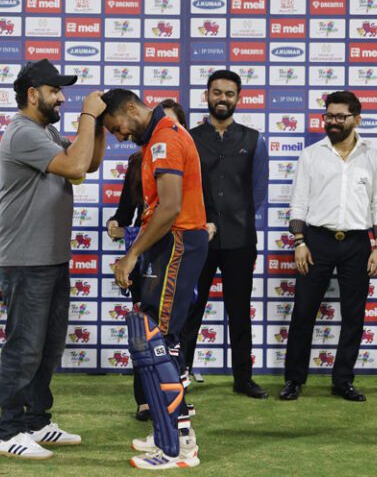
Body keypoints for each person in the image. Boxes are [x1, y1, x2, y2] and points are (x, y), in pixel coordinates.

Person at [0, 59, 106, 459]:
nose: (62, 97)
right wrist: (89, 115)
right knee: (24, 347)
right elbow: (75, 163)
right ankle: (8, 432)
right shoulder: (22, 132)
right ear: (32, 94)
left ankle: (37, 421)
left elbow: (86, 166)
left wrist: (100, 125)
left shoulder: (47, 130)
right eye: (55, 90)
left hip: (51, 257)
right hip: (25, 258)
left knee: (47, 347)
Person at [100, 89, 208, 470]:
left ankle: (176, 447)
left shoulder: (165, 139)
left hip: (177, 239)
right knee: (159, 340)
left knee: (159, 342)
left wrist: (130, 255)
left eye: (117, 127)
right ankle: (173, 433)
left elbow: (170, 207)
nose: (118, 136)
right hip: (170, 242)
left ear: (131, 109)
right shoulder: (160, 136)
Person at [280, 91, 377, 401]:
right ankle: (294, 380)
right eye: (329, 116)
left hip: (357, 243)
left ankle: (343, 380)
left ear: (356, 119)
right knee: (303, 312)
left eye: (340, 117)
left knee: (354, 316)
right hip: (316, 241)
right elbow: (298, 201)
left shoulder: (373, 156)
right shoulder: (311, 155)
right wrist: (299, 242)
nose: (333, 122)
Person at [180, 70, 270, 398]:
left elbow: (258, 190)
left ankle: (243, 378)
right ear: (206, 95)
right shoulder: (189, 137)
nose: (223, 99)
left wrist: (238, 219)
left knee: (239, 309)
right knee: (190, 309)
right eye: (216, 92)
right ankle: (179, 375)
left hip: (240, 240)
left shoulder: (253, 138)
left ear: (238, 98)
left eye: (229, 94)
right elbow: (184, 186)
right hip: (197, 238)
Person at [106, 100, 187, 422]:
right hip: (148, 248)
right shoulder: (140, 158)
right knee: (148, 327)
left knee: (169, 334)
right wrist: (116, 225)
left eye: (171, 123)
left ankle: (176, 406)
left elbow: (179, 206)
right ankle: (149, 399)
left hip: (171, 246)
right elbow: (128, 210)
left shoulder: (174, 144)